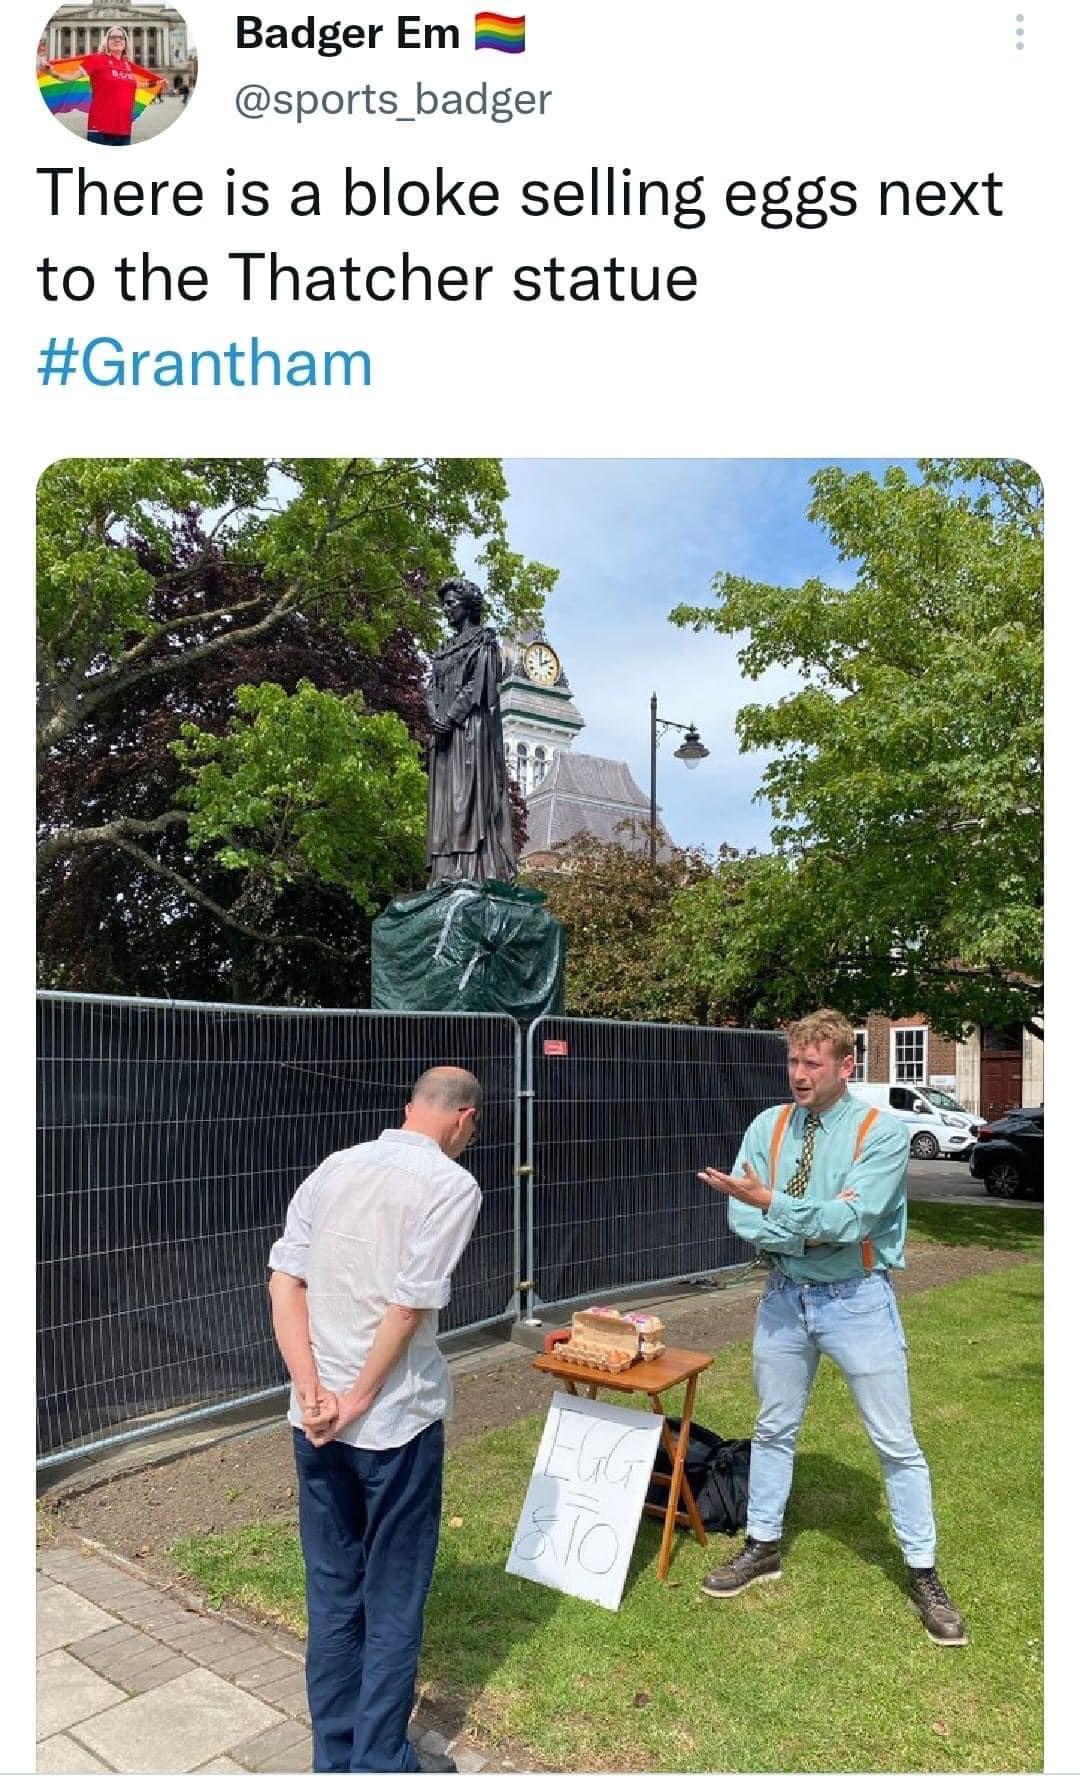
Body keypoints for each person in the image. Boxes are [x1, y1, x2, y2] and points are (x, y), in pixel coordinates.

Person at [697, 1009, 967, 1645]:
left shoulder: (882, 1132)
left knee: (894, 1439)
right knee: (772, 1427)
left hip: (858, 1301)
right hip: (784, 1296)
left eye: (812, 1063)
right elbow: (744, 1218)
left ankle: (923, 1571)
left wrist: (777, 1209)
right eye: (793, 1061)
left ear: (847, 1066)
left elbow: (854, 1221)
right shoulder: (769, 1125)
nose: (798, 1074)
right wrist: (797, 1227)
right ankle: (762, 1545)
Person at [268, 1066, 485, 1772]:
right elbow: (408, 1302)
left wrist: (311, 1390)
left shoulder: (336, 1166)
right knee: (392, 1597)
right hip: (393, 1423)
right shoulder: (453, 1185)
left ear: (408, 1108)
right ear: (463, 1119)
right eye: (472, 1127)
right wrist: (357, 1398)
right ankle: (380, 1762)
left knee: (333, 1596)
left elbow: (284, 1279)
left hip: (315, 1420)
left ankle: (334, 1759)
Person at [426, 577, 517, 885]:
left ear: (467, 606)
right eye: (445, 605)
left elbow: (477, 687)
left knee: (465, 799)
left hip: (468, 733)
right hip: (444, 737)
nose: (447, 610)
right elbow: (430, 689)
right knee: (443, 805)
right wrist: (436, 717)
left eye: (451, 603)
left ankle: (469, 870)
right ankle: (443, 872)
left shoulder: (484, 642)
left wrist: (449, 718)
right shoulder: (443, 651)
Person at [48, 27, 165, 146]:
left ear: (125, 43)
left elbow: (135, 85)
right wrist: (53, 73)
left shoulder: (127, 66)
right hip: (100, 128)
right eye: (113, 37)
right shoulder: (96, 60)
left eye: (121, 37)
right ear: (106, 42)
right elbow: (71, 77)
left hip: (124, 129)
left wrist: (157, 82)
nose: (117, 40)